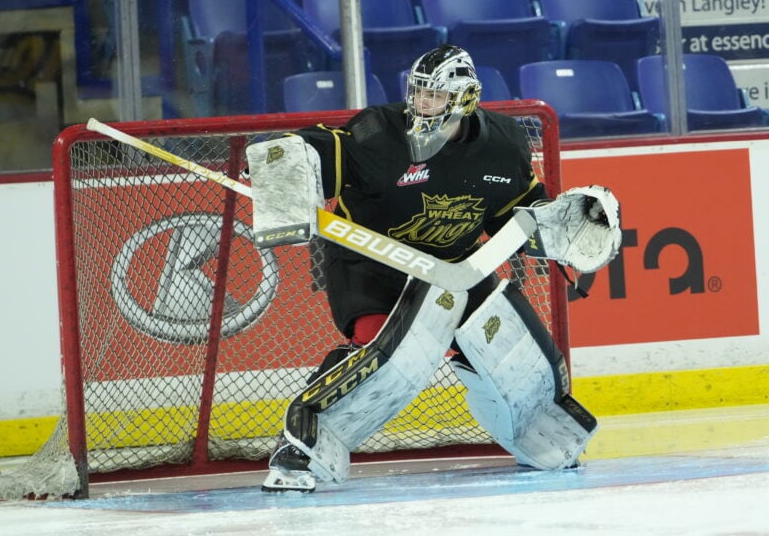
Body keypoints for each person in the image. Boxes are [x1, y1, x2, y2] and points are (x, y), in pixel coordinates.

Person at [245, 44, 622, 492]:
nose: (423, 103)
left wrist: (563, 222)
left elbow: (517, 214)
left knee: (509, 351)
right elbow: (326, 150)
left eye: (436, 95)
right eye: (419, 92)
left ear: (465, 97)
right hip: (374, 263)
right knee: (387, 355)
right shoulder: (381, 133)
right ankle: (302, 447)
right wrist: (285, 157)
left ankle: (541, 434)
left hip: (454, 265)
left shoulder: (503, 142)